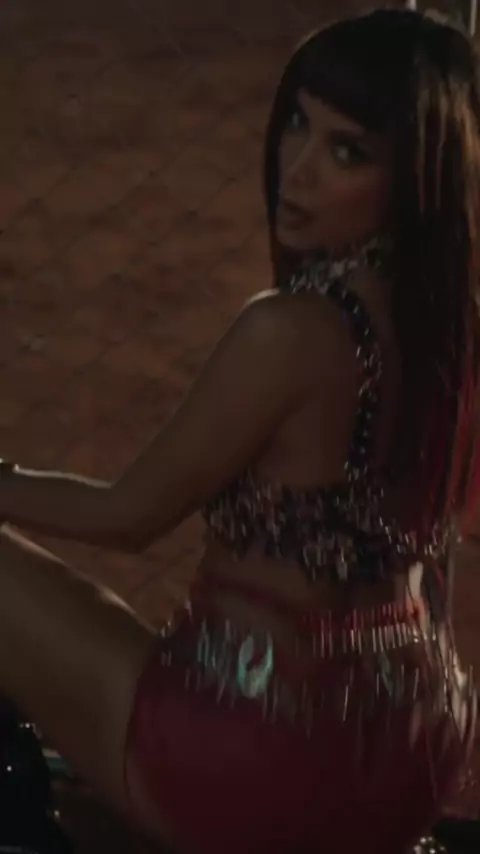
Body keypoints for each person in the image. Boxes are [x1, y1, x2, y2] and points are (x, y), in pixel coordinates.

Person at [0, 7, 477, 853]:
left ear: (415, 177)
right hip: (413, 759)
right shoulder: (458, 328)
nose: (297, 168)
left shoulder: (290, 333)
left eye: (347, 152)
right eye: (297, 123)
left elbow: (127, 516)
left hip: (256, 761)